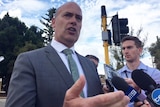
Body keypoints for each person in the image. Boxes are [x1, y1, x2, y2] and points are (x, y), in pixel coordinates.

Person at [5, 2, 129, 107]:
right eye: (67, 15)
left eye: (78, 18)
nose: (73, 21)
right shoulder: (29, 61)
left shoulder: (89, 65)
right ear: (53, 22)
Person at [117, 36, 160, 107]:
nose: (126, 51)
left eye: (129, 47)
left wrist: (139, 93)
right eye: (123, 48)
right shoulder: (117, 76)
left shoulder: (155, 73)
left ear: (140, 50)